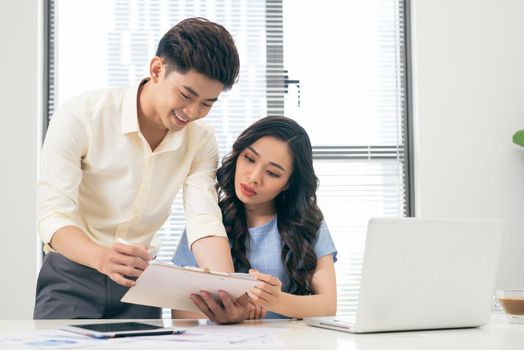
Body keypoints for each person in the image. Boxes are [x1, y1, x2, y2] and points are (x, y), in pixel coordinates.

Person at [34, 17, 242, 320]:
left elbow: (204, 220)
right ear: (157, 70)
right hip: (72, 272)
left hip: (141, 281)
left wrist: (228, 291)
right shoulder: (81, 116)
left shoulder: (201, 140)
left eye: (207, 103)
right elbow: (53, 215)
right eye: (186, 96)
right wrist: (102, 257)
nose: (193, 112)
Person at [172, 116, 337, 321]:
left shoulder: (308, 222)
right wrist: (227, 313)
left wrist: (276, 300)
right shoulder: (207, 221)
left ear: (288, 183)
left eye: (273, 173)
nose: (254, 178)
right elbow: (180, 312)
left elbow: (328, 305)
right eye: (250, 159)